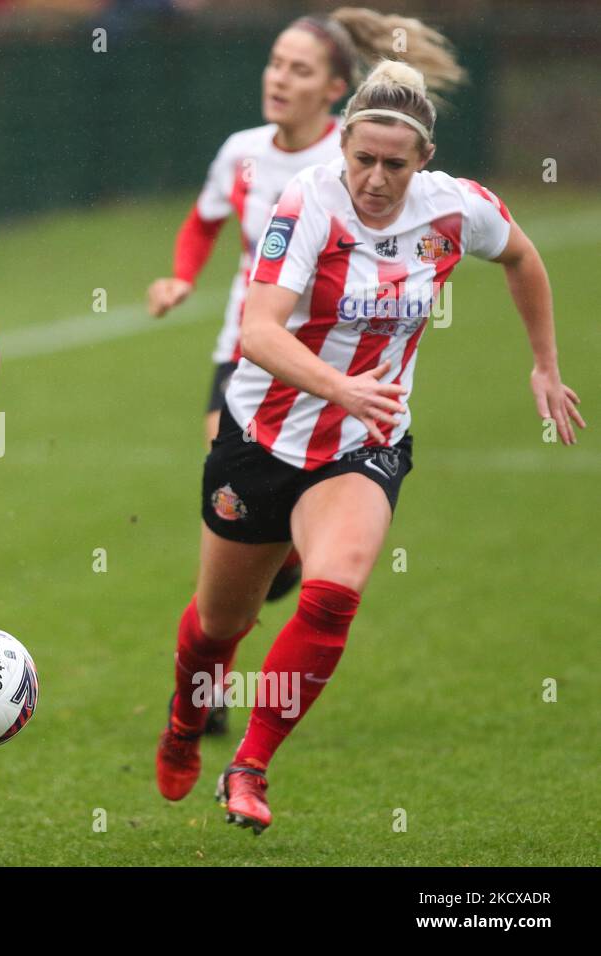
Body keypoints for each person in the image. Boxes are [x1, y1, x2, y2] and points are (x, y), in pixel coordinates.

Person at [155, 55, 584, 834]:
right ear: (342, 147)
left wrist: (545, 366)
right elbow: (256, 331)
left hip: (366, 440)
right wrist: (338, 385)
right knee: (220, 624)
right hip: (262, 437)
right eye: (364, 159)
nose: (377, 178)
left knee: (334, 589)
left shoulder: (457, 209)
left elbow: (522, 255)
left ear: (424, 160)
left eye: (395, 163)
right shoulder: (308, 202)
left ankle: (249, 767)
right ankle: (184, 725)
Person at [145, 8, 465, 734]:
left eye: (298, 69)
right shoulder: (241, 151)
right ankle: (211, 676)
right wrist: (180, 278)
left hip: (343, 379)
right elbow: (203, 220)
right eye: (274, 63)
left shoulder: (358, 163)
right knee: (233, 502)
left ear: (335, 91)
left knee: (282, 556)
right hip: (248, 358)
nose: (278, 79)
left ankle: (265, 596)